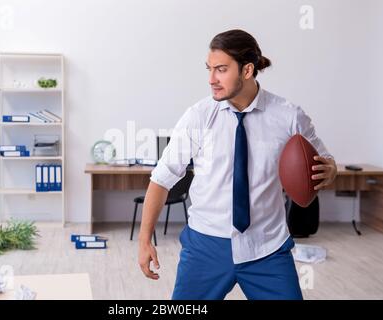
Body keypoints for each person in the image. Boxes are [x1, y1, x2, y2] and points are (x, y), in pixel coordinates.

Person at [137, 29, 337, 300]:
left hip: (267, 248)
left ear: (247, 70)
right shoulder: (199, 116)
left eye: (221, 69)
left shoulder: (289, 116)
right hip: (205, 246)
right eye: (209, 69)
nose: (211, 79)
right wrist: (145, 239)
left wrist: (331, 170)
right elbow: (162, 179)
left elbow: (325, 161)